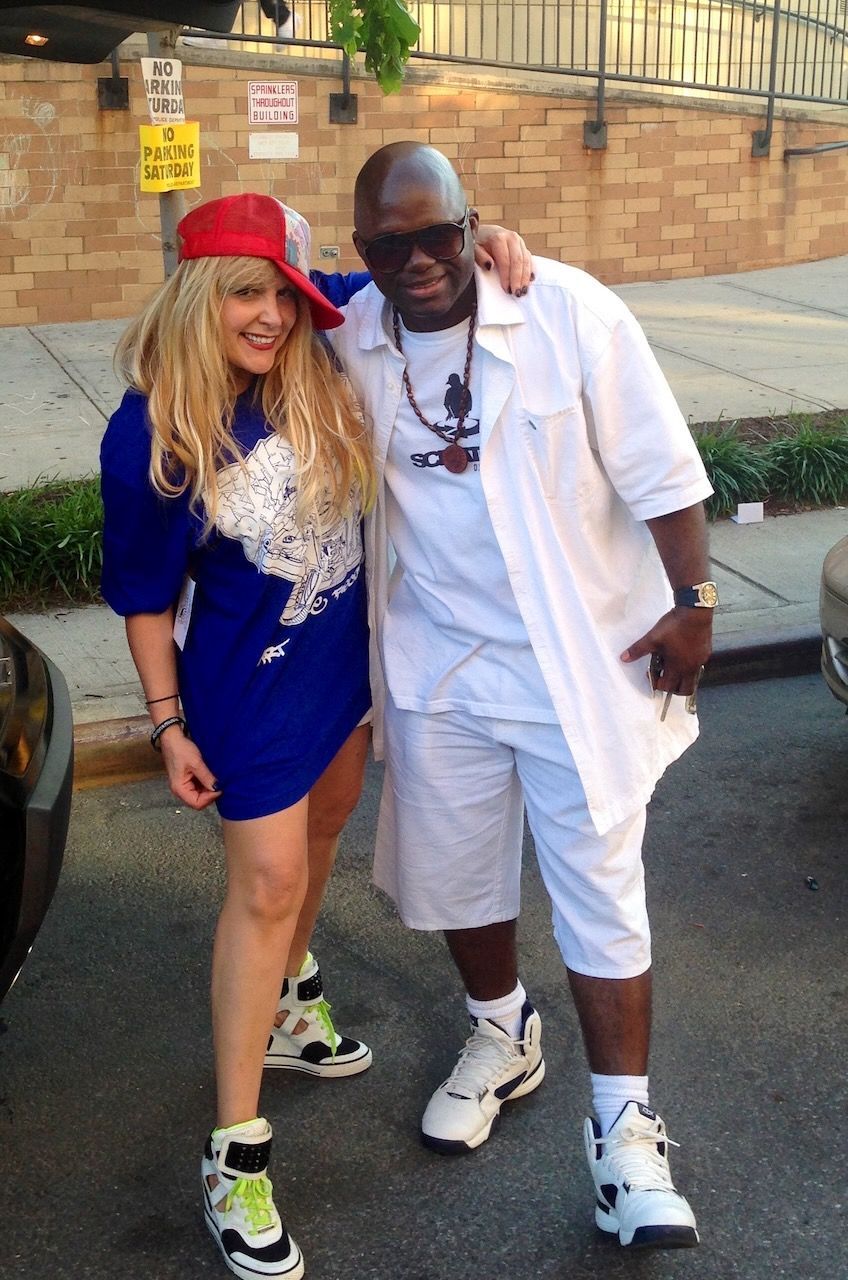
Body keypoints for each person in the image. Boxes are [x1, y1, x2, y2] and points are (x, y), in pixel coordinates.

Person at [100, 191, 530, 1280]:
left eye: (283, 296)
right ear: (199, 292)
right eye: (246, 292)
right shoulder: (151, 426)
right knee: (267, 883)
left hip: (345, 663)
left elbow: (418, 273)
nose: (271, 317)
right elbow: (144, 597)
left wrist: (493, 243)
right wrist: (164, 727)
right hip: (242, 689)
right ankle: (233, 1152)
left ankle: (292, 1000)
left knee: (329, 824)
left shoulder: (322, 333)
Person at [329, 142, 717, 1252]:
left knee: (598, 886)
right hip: (440, 662)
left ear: (473, 222)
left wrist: (691, 599)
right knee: (455, 875)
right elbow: (241, 318)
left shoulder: (566, 314)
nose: (416, 262)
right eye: (386, 245)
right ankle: (502, 1032)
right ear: (359, 252)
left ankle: (622, 1133)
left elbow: (661, 463)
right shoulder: (348, 336)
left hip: (575, 662)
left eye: (438, 234)